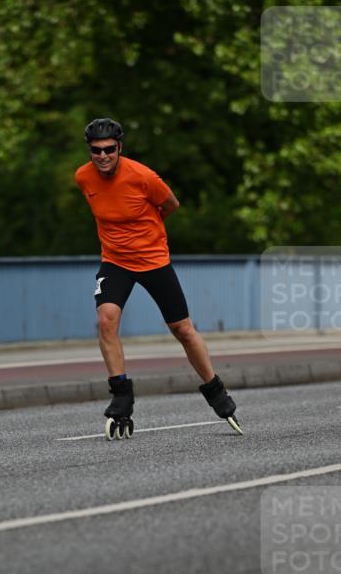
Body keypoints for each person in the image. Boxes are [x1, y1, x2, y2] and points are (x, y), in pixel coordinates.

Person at [74, 117, 242, 438]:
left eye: (110, 149)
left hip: (153, 260)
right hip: (115, 262)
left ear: (120, 148)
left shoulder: (142, 176)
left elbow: (171, 204)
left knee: (182, 329)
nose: (103, 156)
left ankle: (215, 390)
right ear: (90, 152)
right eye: (96, 151)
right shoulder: (83, 177)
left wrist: (148, 231)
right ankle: (122, 394)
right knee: (105, 319)